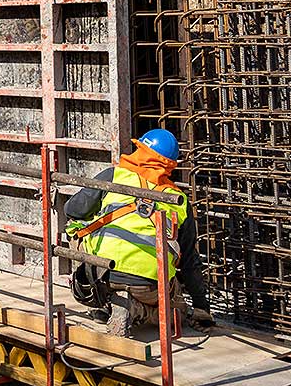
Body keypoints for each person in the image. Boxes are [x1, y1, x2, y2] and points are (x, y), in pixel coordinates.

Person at [64, 129, 213, 336]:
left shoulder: (113, 176)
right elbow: (189, 260)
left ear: (140, 149)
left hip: (104, 275)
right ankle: (140, 310)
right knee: (179, 313)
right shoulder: (178, 200)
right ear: (170, 165)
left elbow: (73, 210)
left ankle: (101, 305)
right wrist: (201, 307)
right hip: (151, 287)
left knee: (75, 231)